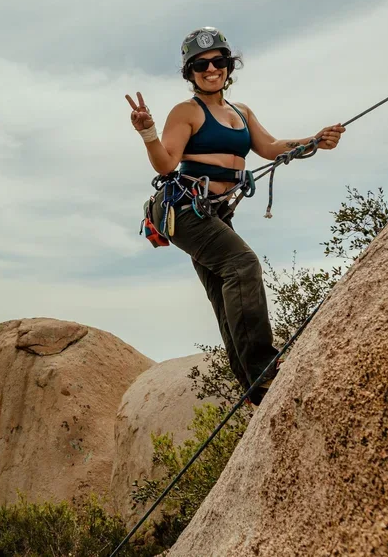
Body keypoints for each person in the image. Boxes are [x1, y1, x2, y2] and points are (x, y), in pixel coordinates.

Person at [126, 27, 345, 405]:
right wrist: (148, 132)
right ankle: (263, 369)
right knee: (242, 265)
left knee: (223, 289)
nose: (211, 69)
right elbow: (165, 164)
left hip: (215, 214)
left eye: (219, 62)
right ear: (190, 72)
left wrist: (313, 139)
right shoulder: (186, 111)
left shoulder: (242, 112)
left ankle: (252, 384)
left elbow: (270, 147)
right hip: (184, 210)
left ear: (229, 66)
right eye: (201, 65)